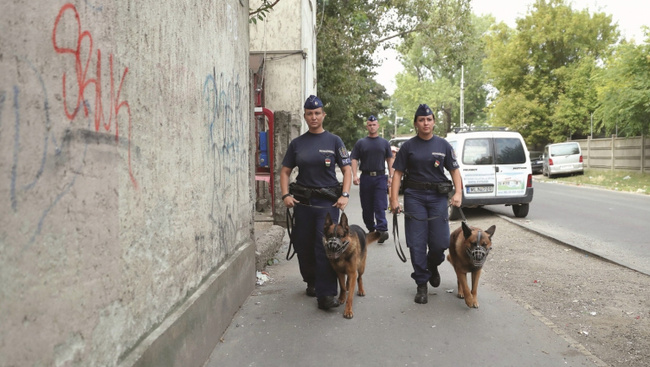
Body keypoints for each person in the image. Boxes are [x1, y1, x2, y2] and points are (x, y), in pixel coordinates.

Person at [279, 95, 352, 310]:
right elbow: (284, 171)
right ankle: (311, 281)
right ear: (305, 116)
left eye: (317, 113)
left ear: (323, 115)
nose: (314, 117)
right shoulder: (297, 144)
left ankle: (326, 294)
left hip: (327, 206)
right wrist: (285, 195)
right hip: (302, 203)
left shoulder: (334, 141)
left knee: (326, 247)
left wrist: (345, 195)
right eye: (310, 114)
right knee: (304, 246)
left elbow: (347, 170)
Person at [389, 104, 462, 304]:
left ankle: (432, 265)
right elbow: (397, 174)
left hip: (438, 198)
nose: (425, 123)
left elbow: (455, 170)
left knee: (440, 242)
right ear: (416, 123)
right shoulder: (408, 147)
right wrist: (394, 199)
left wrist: (459, 193)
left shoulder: (443, 145)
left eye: (429, 119)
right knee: (416, 243)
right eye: (421, 120)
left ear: (434, 122)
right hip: (415, 198)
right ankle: (421, 284)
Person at [350, 115, 394, 243]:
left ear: (378, 126)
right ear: (367, 126)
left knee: (380, 205)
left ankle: (382, 230)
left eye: (374, 124)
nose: (372, 126)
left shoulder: (384, 143)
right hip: (366, 178)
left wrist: (391, 176)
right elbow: (354, 159)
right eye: (370, 125)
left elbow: (390, 159)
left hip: (380, 177)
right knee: (367, 207)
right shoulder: (361, 143)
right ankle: (371, 229)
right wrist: (354, 175)